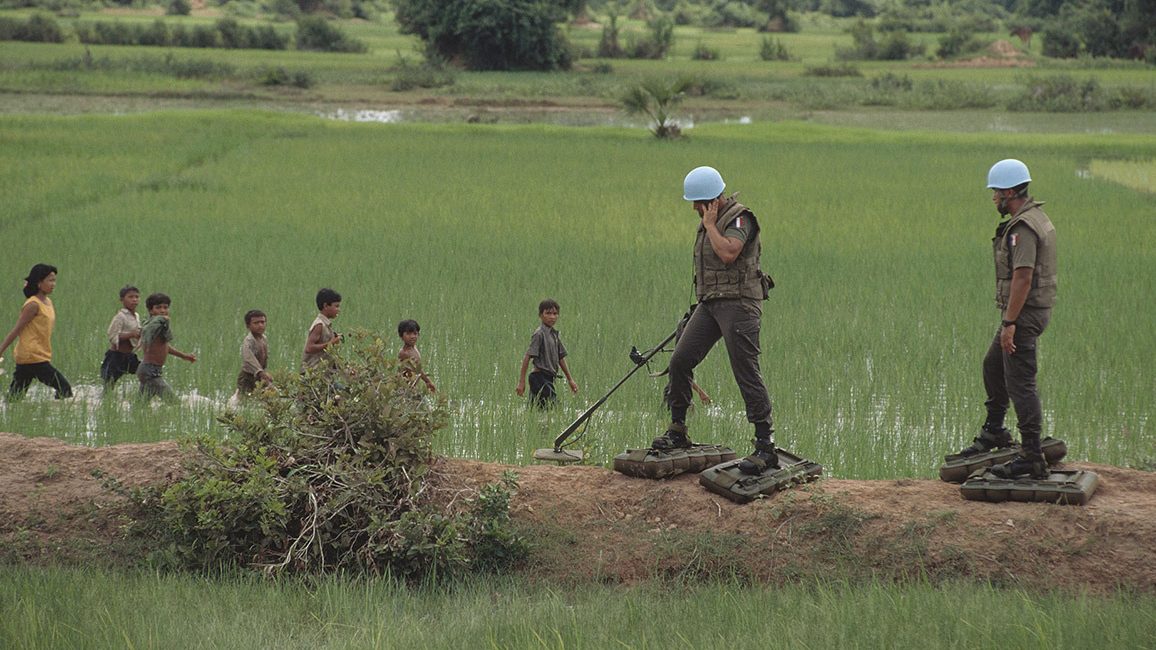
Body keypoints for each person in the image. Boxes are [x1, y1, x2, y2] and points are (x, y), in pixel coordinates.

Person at [651, 166, 777, 475]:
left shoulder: (740, 219)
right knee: (680, 360)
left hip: (740, 305)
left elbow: (729, 253)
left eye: (698, 203)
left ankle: (765, 446)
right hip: (710, 305)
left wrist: (710, 226)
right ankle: (678, 429)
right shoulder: (710, 220)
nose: (694, 208)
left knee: (745, 371)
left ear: (713, 200)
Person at [956, 159, 1057, 480]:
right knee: (993, 364)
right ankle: (995, 431)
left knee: (1021, 383)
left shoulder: (1023, 229)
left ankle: (1031, 456)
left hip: (1024, 315)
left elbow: (1023, 278)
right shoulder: (1032, 218)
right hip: (1024, 313)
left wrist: (1009, 323)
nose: (993, 199)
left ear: (1009, 191)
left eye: (996, 193)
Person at [0, 263, 72, 399]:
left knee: (15, 397)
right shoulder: (33, 305)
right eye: (50, 280)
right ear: (39, 283)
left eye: (54, 280)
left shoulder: (47, 302)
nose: (54, 284)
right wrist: (1, 350)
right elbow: (16, 330)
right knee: (65, 389)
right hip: (32, 356)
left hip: (35, 355)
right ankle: (56, 414)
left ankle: (9, 415)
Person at [515, 298, 578, 408]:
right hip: (539, 377)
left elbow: (561, 358)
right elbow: (527, 356)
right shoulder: (539, 334)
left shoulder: (554, 335)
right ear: (541, 315)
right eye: (548, 313)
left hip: (549, 378)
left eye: (555, 313)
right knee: (555, 407)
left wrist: (570, 380)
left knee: (536, 409)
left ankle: (535, 425)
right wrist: (521, 382)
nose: (552, 317)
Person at [137, 293, 196, 401]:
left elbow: (164, 347)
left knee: (140, 406)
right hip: (150, 371)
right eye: (158, 307)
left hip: (149, 370)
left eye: (165, 307)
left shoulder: (160, 327)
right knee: (175, 403)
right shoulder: (153, 327)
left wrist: (184, 356)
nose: (163, 310)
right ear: (151, 311)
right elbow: (147, 333)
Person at [100, 285, 142, 389]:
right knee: (109, 386)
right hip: (116, 357)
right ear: (122, 300)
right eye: (130, 297)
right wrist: (131, 334)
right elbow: (113, 335)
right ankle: (105, 403)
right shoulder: (120, 316)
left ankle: (143, 398)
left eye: (136, 297)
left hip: (129, 356)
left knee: (147, 374)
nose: (134, 300)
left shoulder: (136, 316)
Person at [302, 288, 341, 371]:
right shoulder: (319, 325)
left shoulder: (326, 325)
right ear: (326, 306)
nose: (338, 310)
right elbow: (309, 348)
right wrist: (331, 343)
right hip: (314, 374)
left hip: (324, 374)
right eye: (336, 306)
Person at [237, 309, 272, 396]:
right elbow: (248, 359)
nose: (260, 325)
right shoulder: (249, 340)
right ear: (248, 326)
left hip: (259, 376)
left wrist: (263, 374)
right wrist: (261, 373)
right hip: (247, 377)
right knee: (244, 402)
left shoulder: (263, 338)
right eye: (256, 323)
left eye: (262, 322)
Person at [397, 319, 436, 393]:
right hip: (405, 389)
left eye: (415, 333)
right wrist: (428, 382)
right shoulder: (404, 353)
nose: (412, 336)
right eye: (408, 334)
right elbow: (418, 370)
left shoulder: (414, 348)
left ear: (418, 334)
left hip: (412, 387)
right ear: (401, 336)